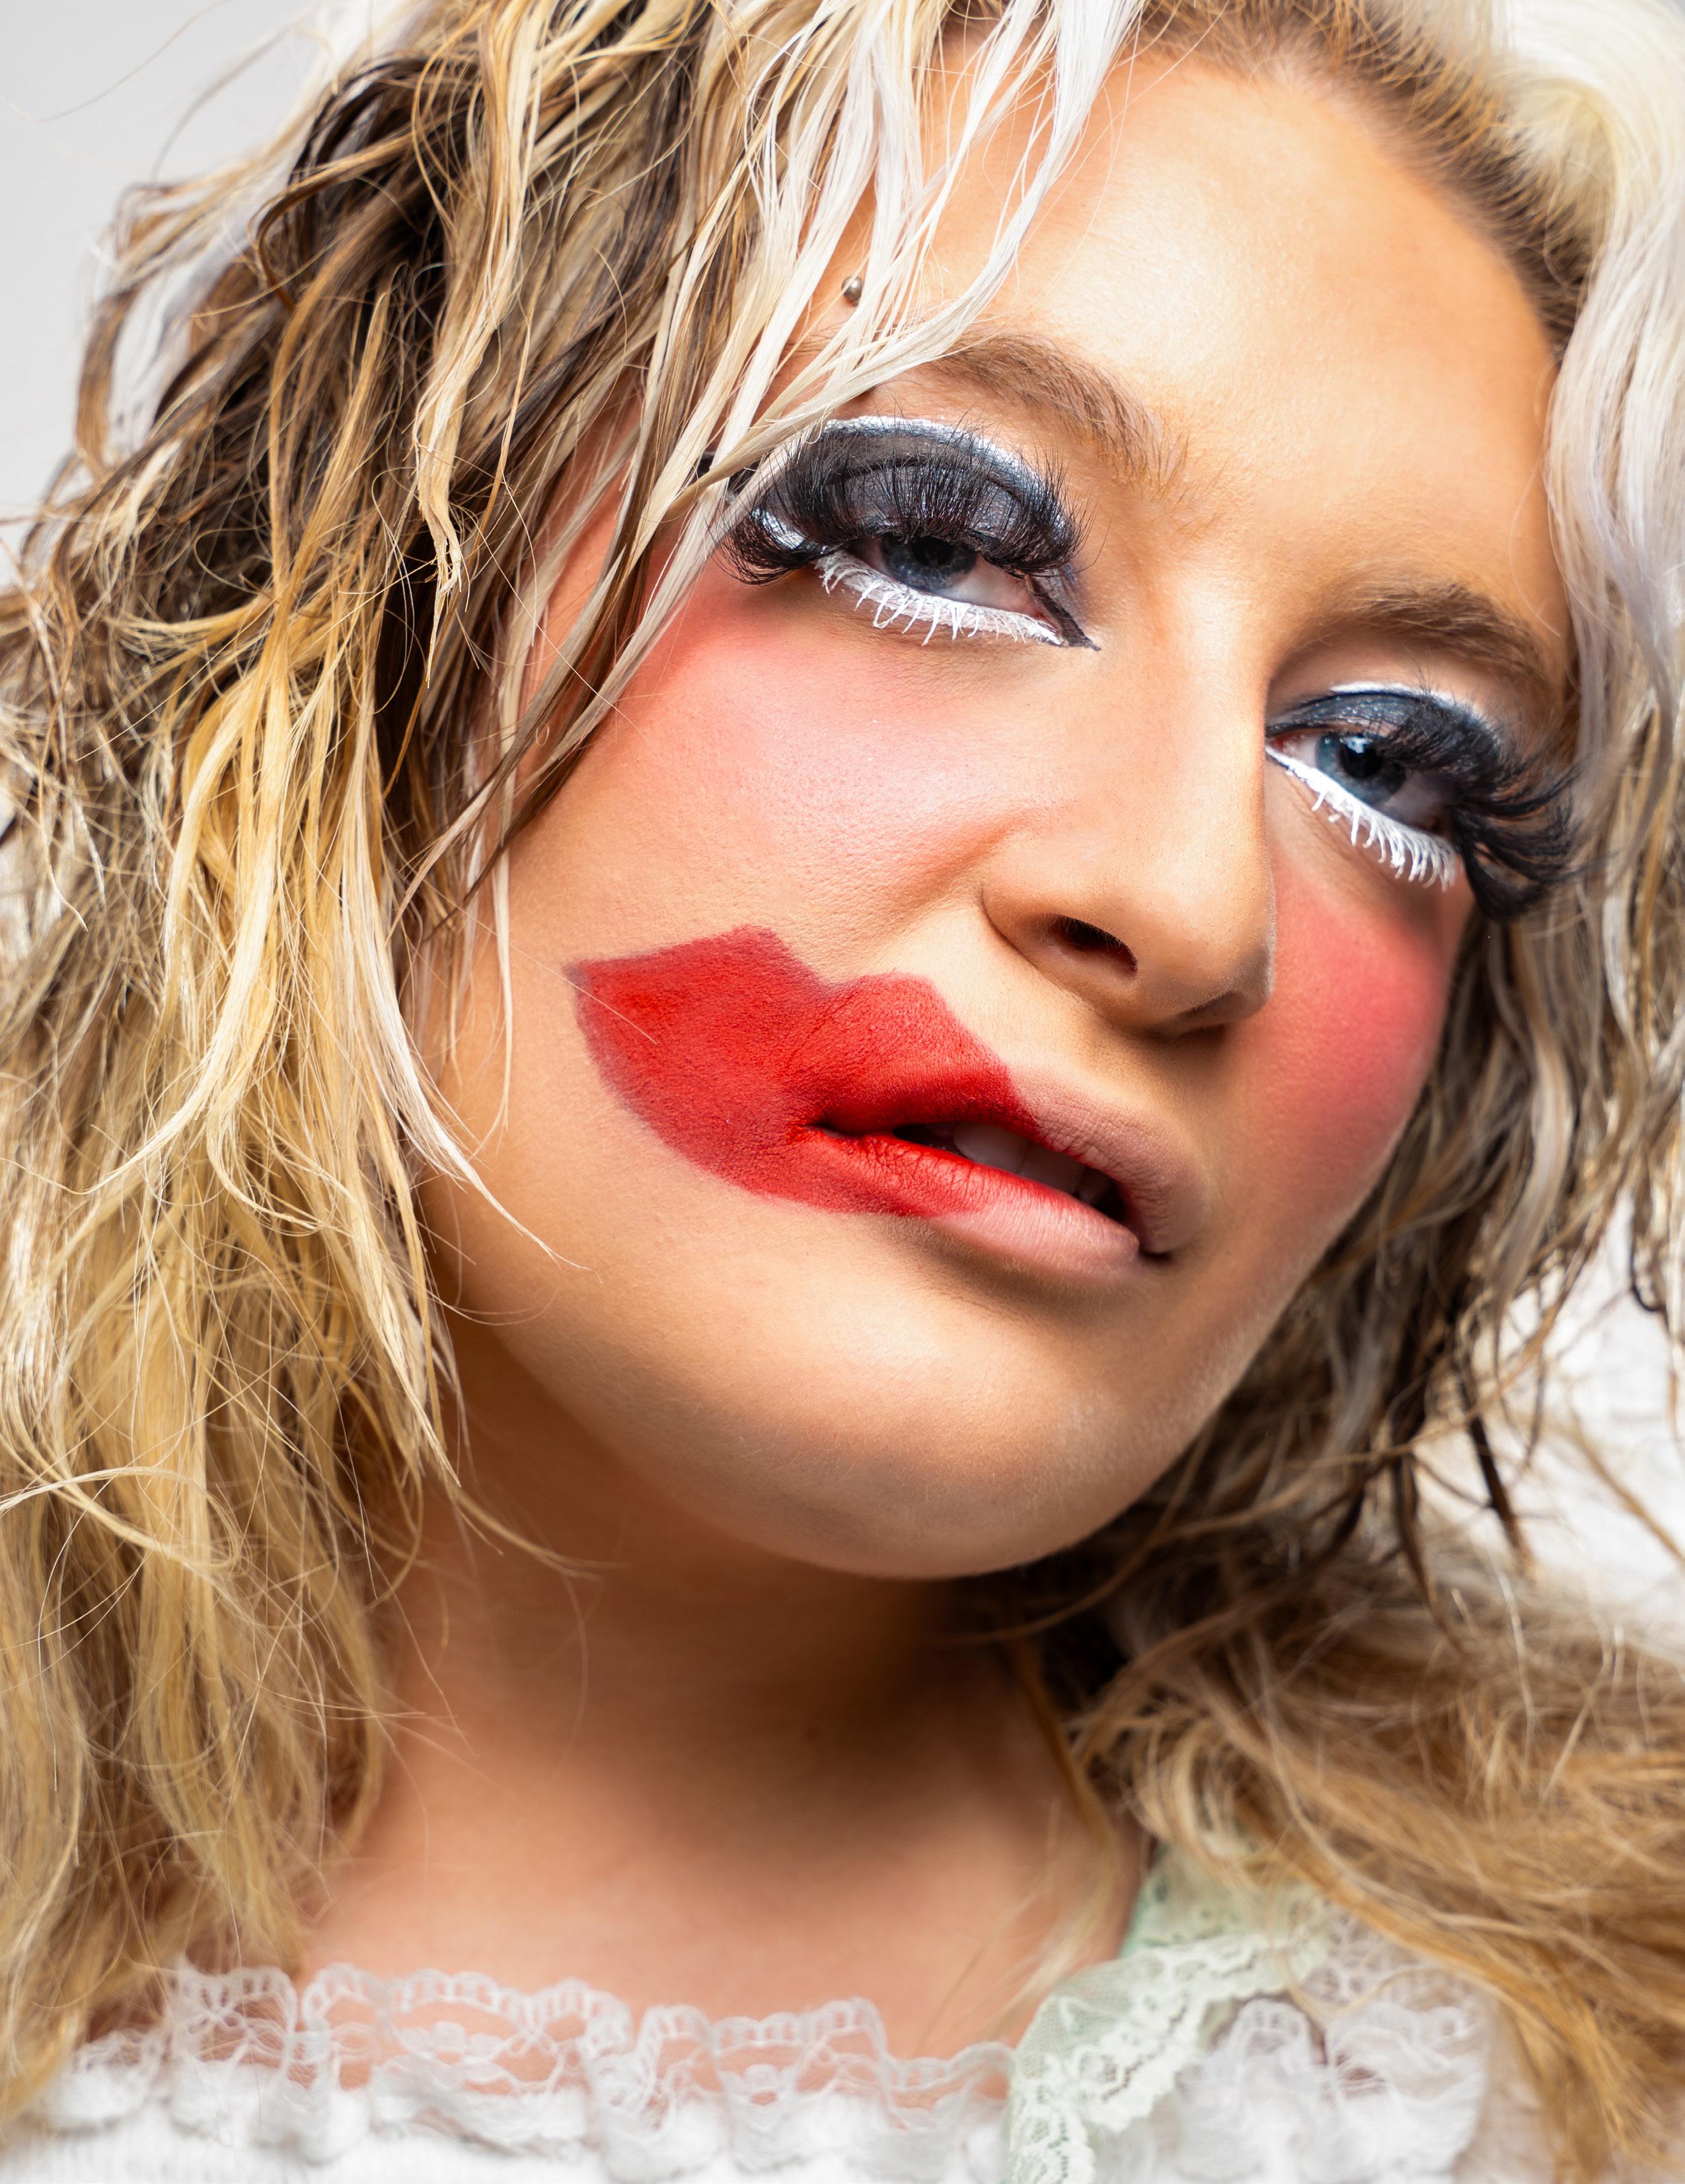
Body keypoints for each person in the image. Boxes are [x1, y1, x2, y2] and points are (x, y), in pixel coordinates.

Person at [0, 0, 1682, 2175]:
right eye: (937, 540)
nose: (1192, 907)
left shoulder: (1564, 2087)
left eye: (1389, 762)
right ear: (366, 594)